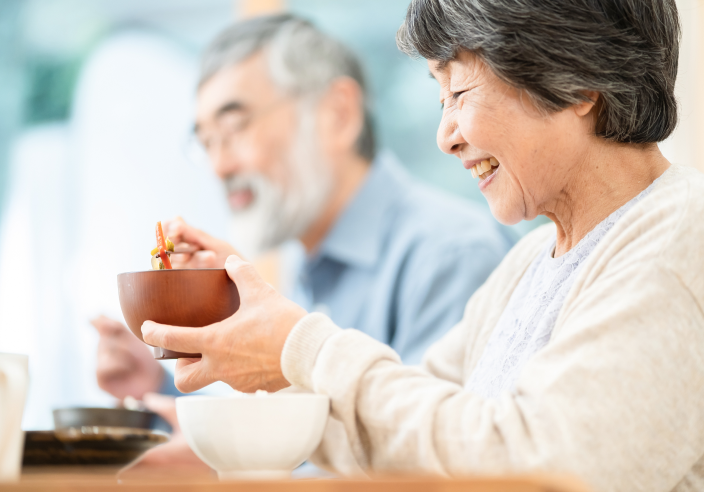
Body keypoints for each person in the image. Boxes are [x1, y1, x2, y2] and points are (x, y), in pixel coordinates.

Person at [141, 0, 704, 489]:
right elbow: (414, 433)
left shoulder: (680, 237)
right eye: (441, 101)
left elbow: (545, 472)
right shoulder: (527, 264)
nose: (445, 135)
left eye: (459, 90)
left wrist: (300, 345)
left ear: (576, 81)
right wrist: (264, 350)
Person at [94, 13, 511, 462]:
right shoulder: (305, 265)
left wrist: (228, 464)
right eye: (207, 141)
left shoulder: (448, 254)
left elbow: (425, 457)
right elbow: (309, 424)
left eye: (234, 128)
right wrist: (156, 385)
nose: (220, 166)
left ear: (337, 114)